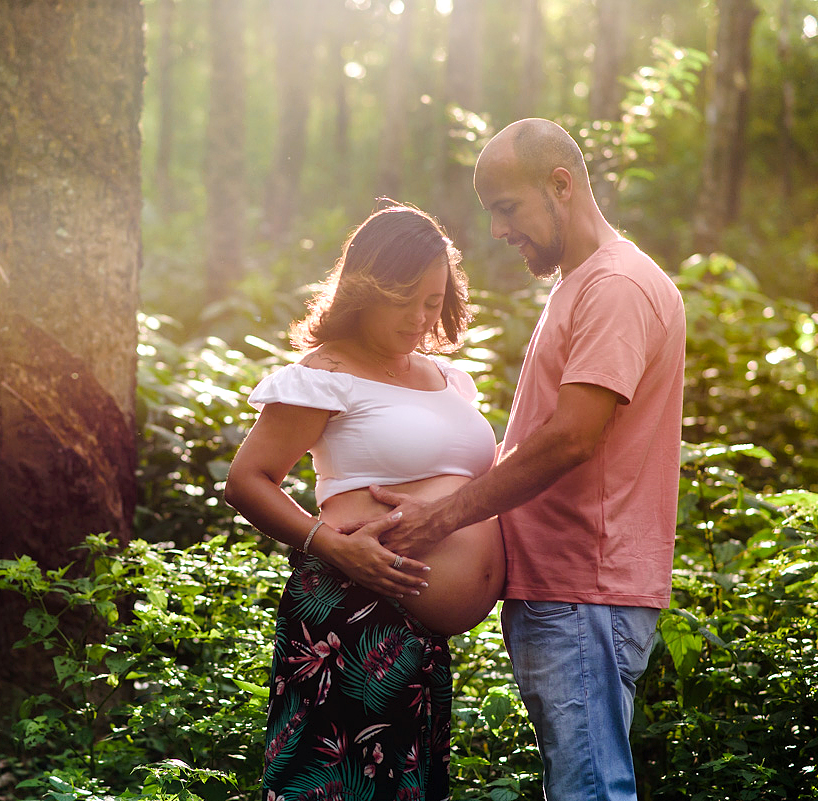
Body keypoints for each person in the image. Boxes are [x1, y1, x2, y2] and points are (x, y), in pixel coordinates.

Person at [347, 119, 686, 801]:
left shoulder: (614, 287)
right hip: (566, 593)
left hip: (582, 591)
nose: (499, 231)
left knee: (589, 790)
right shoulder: (582, 283)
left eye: (507, 208)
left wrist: (441, 519)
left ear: (560, 185)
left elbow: (571, 437)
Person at [225, 201, 506, 801]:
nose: (419, 317)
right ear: (364, 290)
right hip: (351, 615)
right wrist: (332, 547)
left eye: (433, 302)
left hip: (421, 640)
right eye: (403, 300)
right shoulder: (325, 374)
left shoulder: (449, 379)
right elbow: (247, 480)